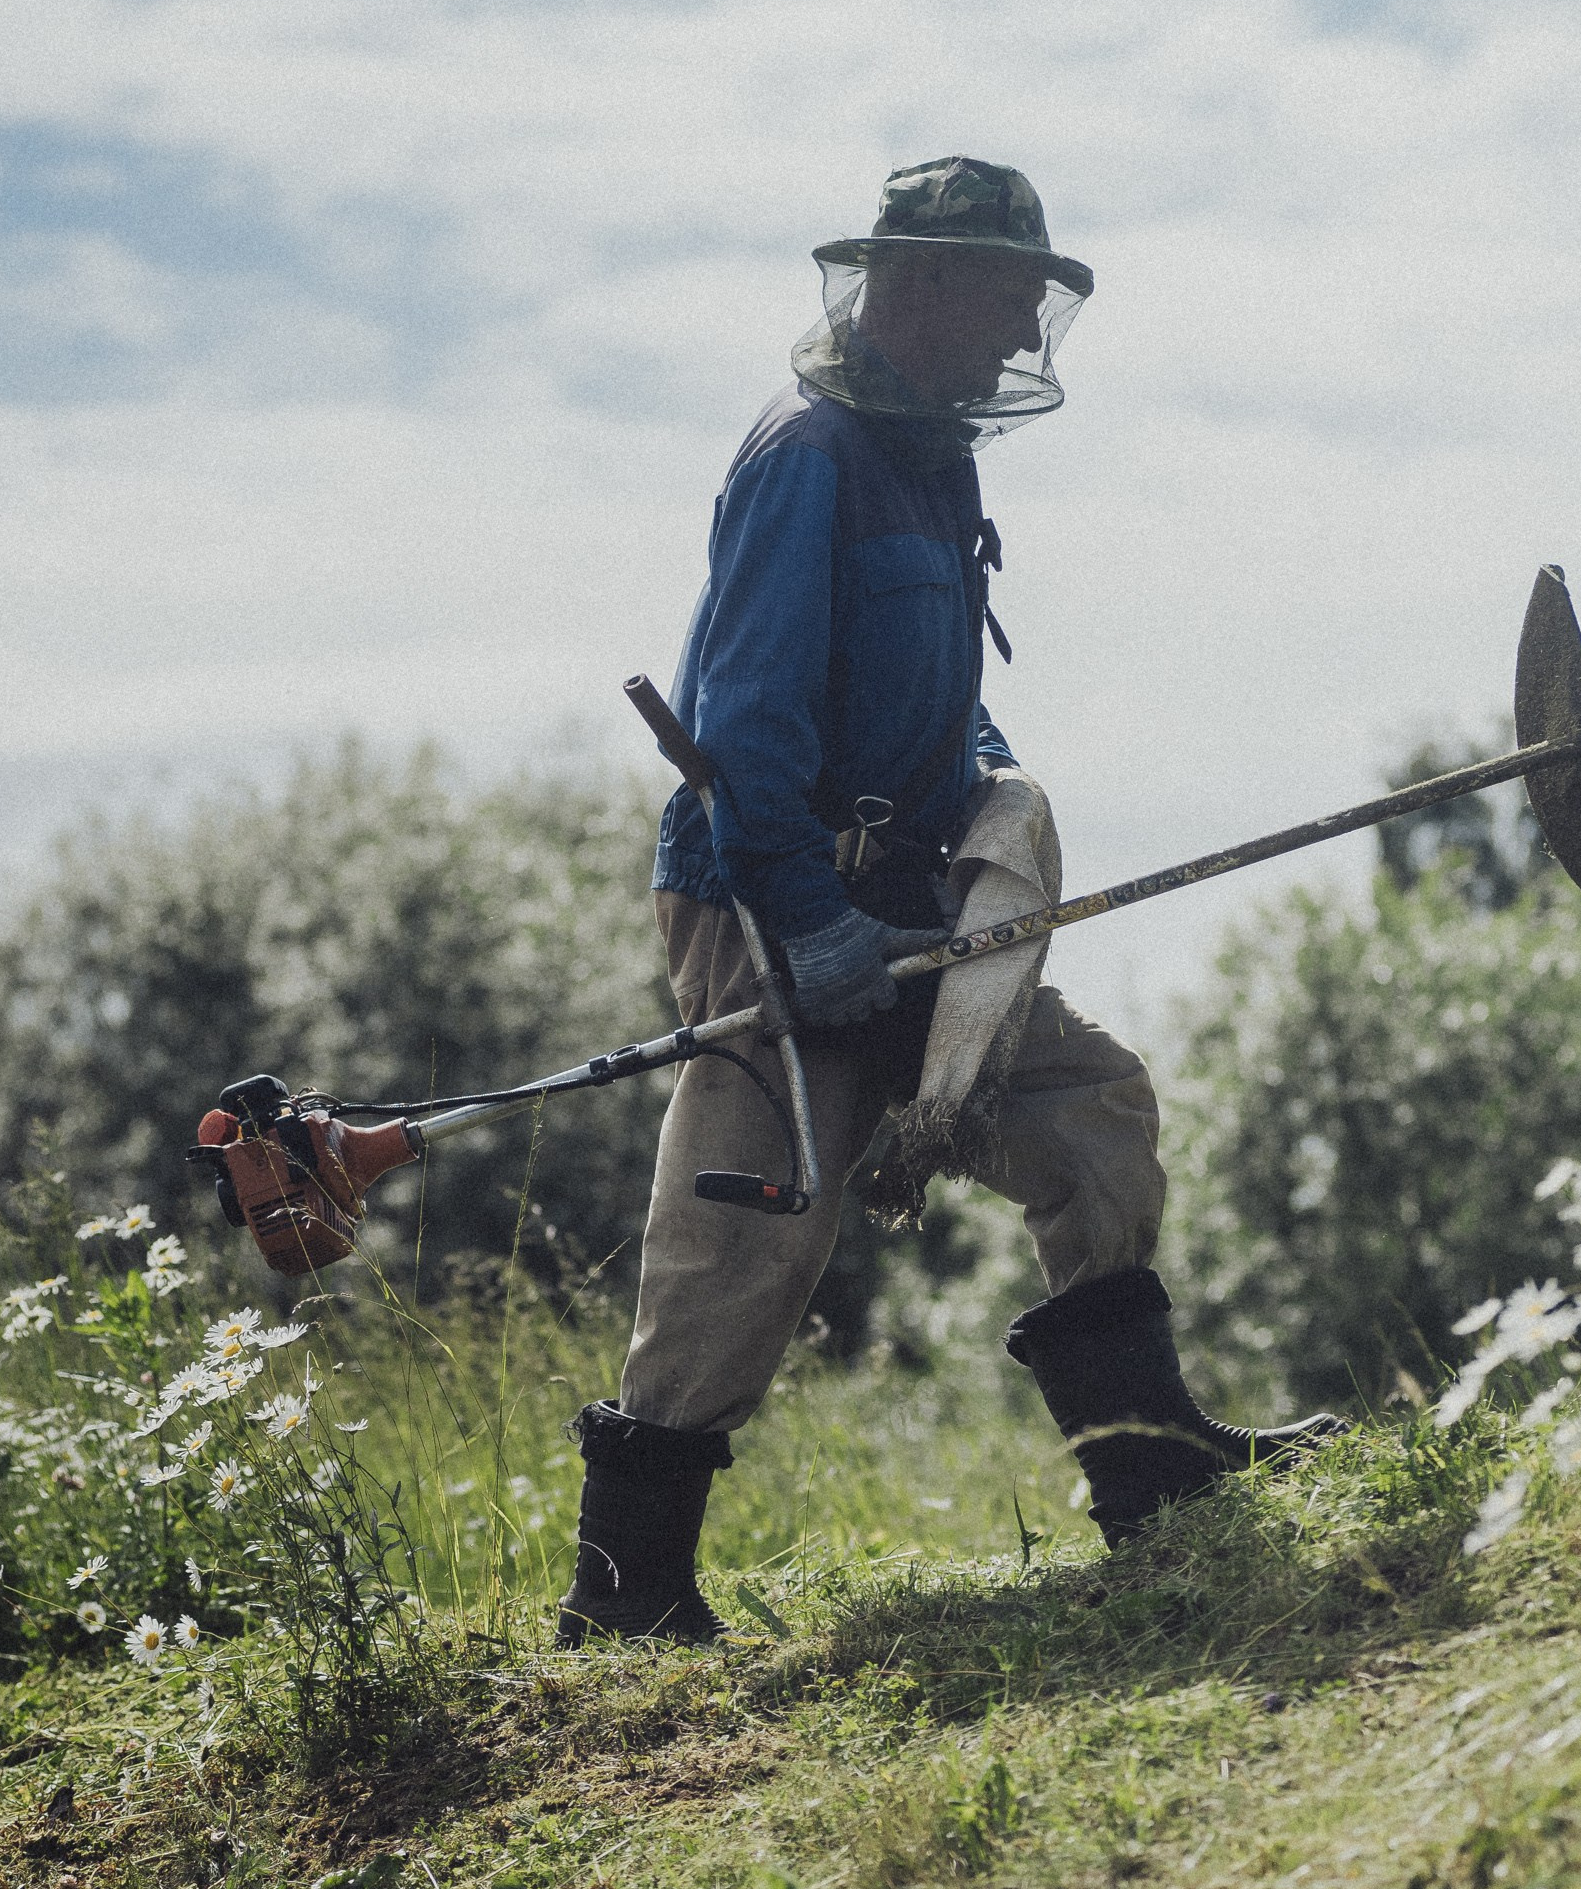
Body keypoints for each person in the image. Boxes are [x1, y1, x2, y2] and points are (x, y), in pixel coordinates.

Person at [559, 158, 1340, 1645]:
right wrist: (812, 926)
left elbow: (938, 704)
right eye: (998, 307)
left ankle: (1153, 1478)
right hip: (768, 901)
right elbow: (751, 726)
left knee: (1086, 1106)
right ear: (916, 286)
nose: (1013, 347)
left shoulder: (935, 458)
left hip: (922, 902)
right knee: (755, 1217)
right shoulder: (806, 456)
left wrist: (993, 800)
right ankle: (626, 1595)